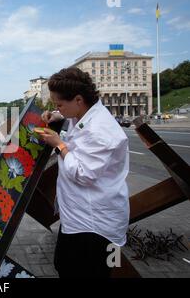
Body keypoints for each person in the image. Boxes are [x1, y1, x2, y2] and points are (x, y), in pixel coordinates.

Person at [34, 67, 129, 278]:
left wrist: (59, 145)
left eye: (59, 104)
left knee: (79, 271)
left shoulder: (100, 131)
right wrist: (55, 115)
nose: (56, 108)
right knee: (64, 264)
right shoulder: (86, 111)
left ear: (78, 99)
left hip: (94, 225)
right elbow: (69, 117)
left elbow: (82, 174)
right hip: (81, 217)